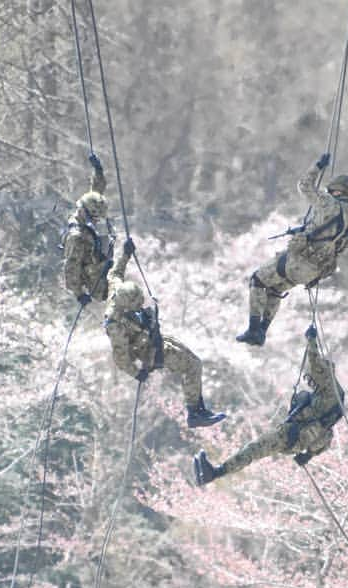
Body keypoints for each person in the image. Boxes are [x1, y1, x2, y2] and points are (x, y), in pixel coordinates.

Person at [236, 154, 348, 346]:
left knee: (258, 280)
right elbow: (335, 242)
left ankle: (253, 329)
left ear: (336, 190)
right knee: (275, 290)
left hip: (297, 260)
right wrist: (308, 231)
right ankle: (262, 332)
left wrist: (318, 165)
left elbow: (304, 185)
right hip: (314, 272)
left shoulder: (329, 202)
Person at [194, 325, 342, 485]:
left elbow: (315, 363)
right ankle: (213, 473)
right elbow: (327, 435)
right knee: (255, 449)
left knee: (254, 449)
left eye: (312, 378)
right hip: (294, 437)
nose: (310, 381)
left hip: (292, 435)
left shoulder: (329, 386)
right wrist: (309, 455)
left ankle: (214, 473)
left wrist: (311, 340)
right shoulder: (333, 401)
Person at [105, 238, 226, 428]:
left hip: (153, 335)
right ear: (126, 305)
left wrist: (126, 254)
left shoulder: (116, 290)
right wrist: (137, 373)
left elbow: (114, 273)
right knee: (192, 366)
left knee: (195, 361)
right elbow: (120, 357)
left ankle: (200, 408)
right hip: (148, 351)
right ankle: (194, 413)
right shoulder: (116, 325)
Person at [62, 152, 114, 306]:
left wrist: (98, 171)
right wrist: (79, 294)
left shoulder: (87, 212)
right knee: (107, 292)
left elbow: (96, 192)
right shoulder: (76, 237)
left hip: (97, 258)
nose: (97, 221)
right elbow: (71, 266)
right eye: (95, 218)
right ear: (86, 213)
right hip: (91, 274)